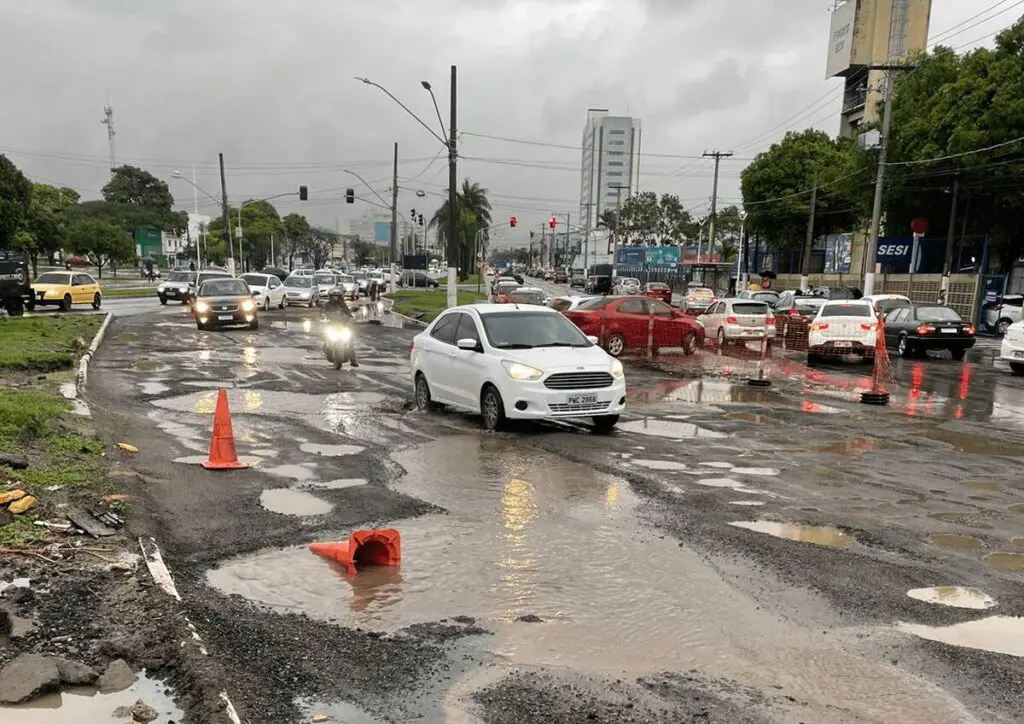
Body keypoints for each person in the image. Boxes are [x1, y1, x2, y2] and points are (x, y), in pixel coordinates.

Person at [322, 288, 359, 367]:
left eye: (337, 296)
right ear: (330, 296)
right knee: (324, 333)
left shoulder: (342, 304)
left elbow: (347, 312)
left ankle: (353, 360)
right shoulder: (327, 305)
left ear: (339, 297)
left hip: (342, 325)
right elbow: (323, 312)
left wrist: (350, 314)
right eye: (334, 296)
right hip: (332, 324)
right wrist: (323, 316)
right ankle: (326, 347)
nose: (335, 298)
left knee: (349, 340)